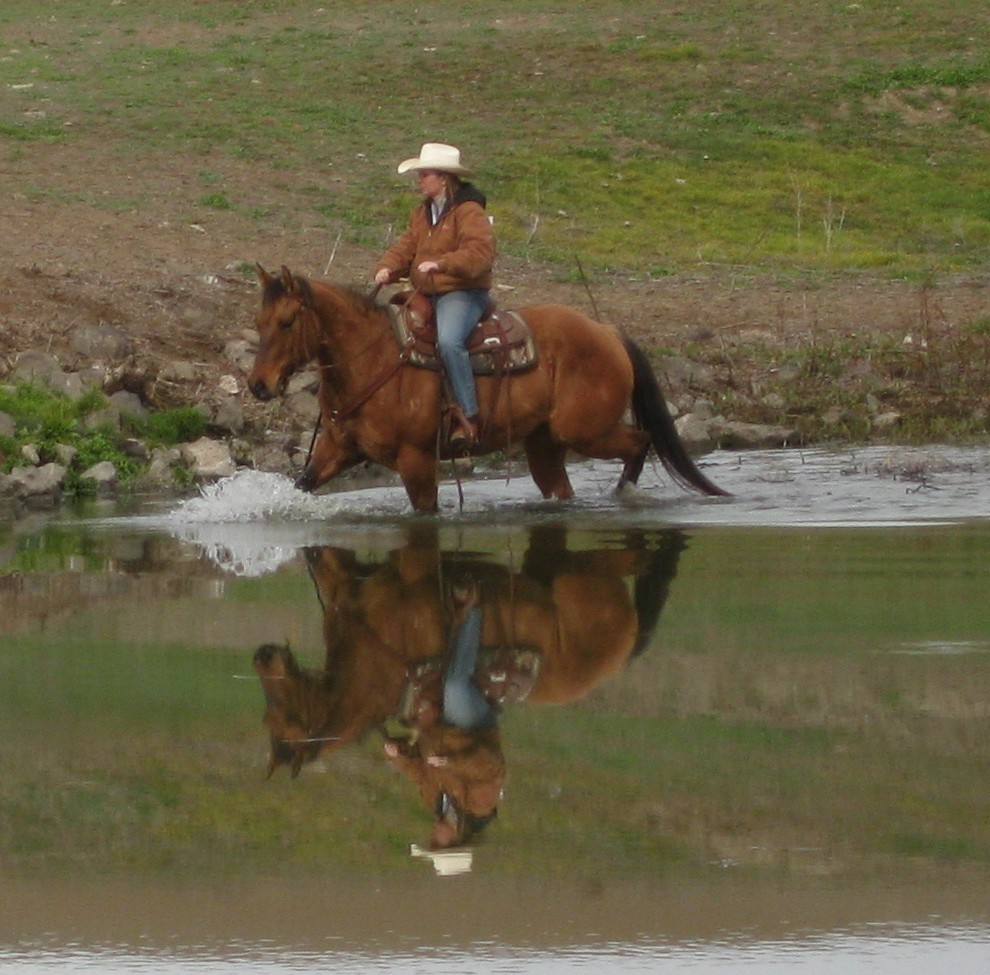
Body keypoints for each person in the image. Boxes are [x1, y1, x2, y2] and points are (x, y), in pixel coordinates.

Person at [373, 142, 495, 450]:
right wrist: (388, 268)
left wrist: (442, 264)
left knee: (449, 342)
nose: (419, 180)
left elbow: (480, 254)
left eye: (425, 174)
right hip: (427, 293)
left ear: (443, 178)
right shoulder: (422, 213)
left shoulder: (469, 211)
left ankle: (468, 415)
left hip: (462, 292)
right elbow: (406, 246)